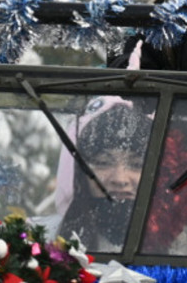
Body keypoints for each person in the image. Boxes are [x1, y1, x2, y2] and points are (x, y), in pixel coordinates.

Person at [54, 96, 170, 251]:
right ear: (79, 173)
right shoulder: (43, 243)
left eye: (137, 164)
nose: (120, 179)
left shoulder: (183, 246)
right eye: (103, 163)